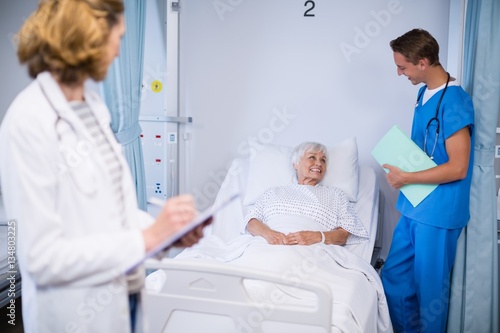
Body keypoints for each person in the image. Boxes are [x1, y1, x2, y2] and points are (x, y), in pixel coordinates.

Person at [0, 1, 205, 332]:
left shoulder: (93, 107)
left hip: (125, 302)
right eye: (118, 37)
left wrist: (168, 235)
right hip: (75, 316)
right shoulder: (28, 121)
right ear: (88, 35)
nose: (119, 52)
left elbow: (112, 211)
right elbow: (41, 259)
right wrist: (147, 239)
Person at [380, 29, 474, 333]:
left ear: (422, 62)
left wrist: (407, 175)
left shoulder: (455, 100)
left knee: (429, 292)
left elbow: (458, 167)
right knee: (394, 278)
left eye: (403, 67)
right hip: (413, 202)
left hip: (438, 211)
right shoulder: (423, 93)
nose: (398, 73)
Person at [246, 142, 369, 246]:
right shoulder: (273, 192)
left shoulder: (336, 195)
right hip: (266, 246)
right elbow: (251, 222)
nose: (319, 163)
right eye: (312, 157)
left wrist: (318, 237)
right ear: (296, 164)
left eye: (323, 160)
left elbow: (345, 233)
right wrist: (269, 235)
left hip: (313, 251)